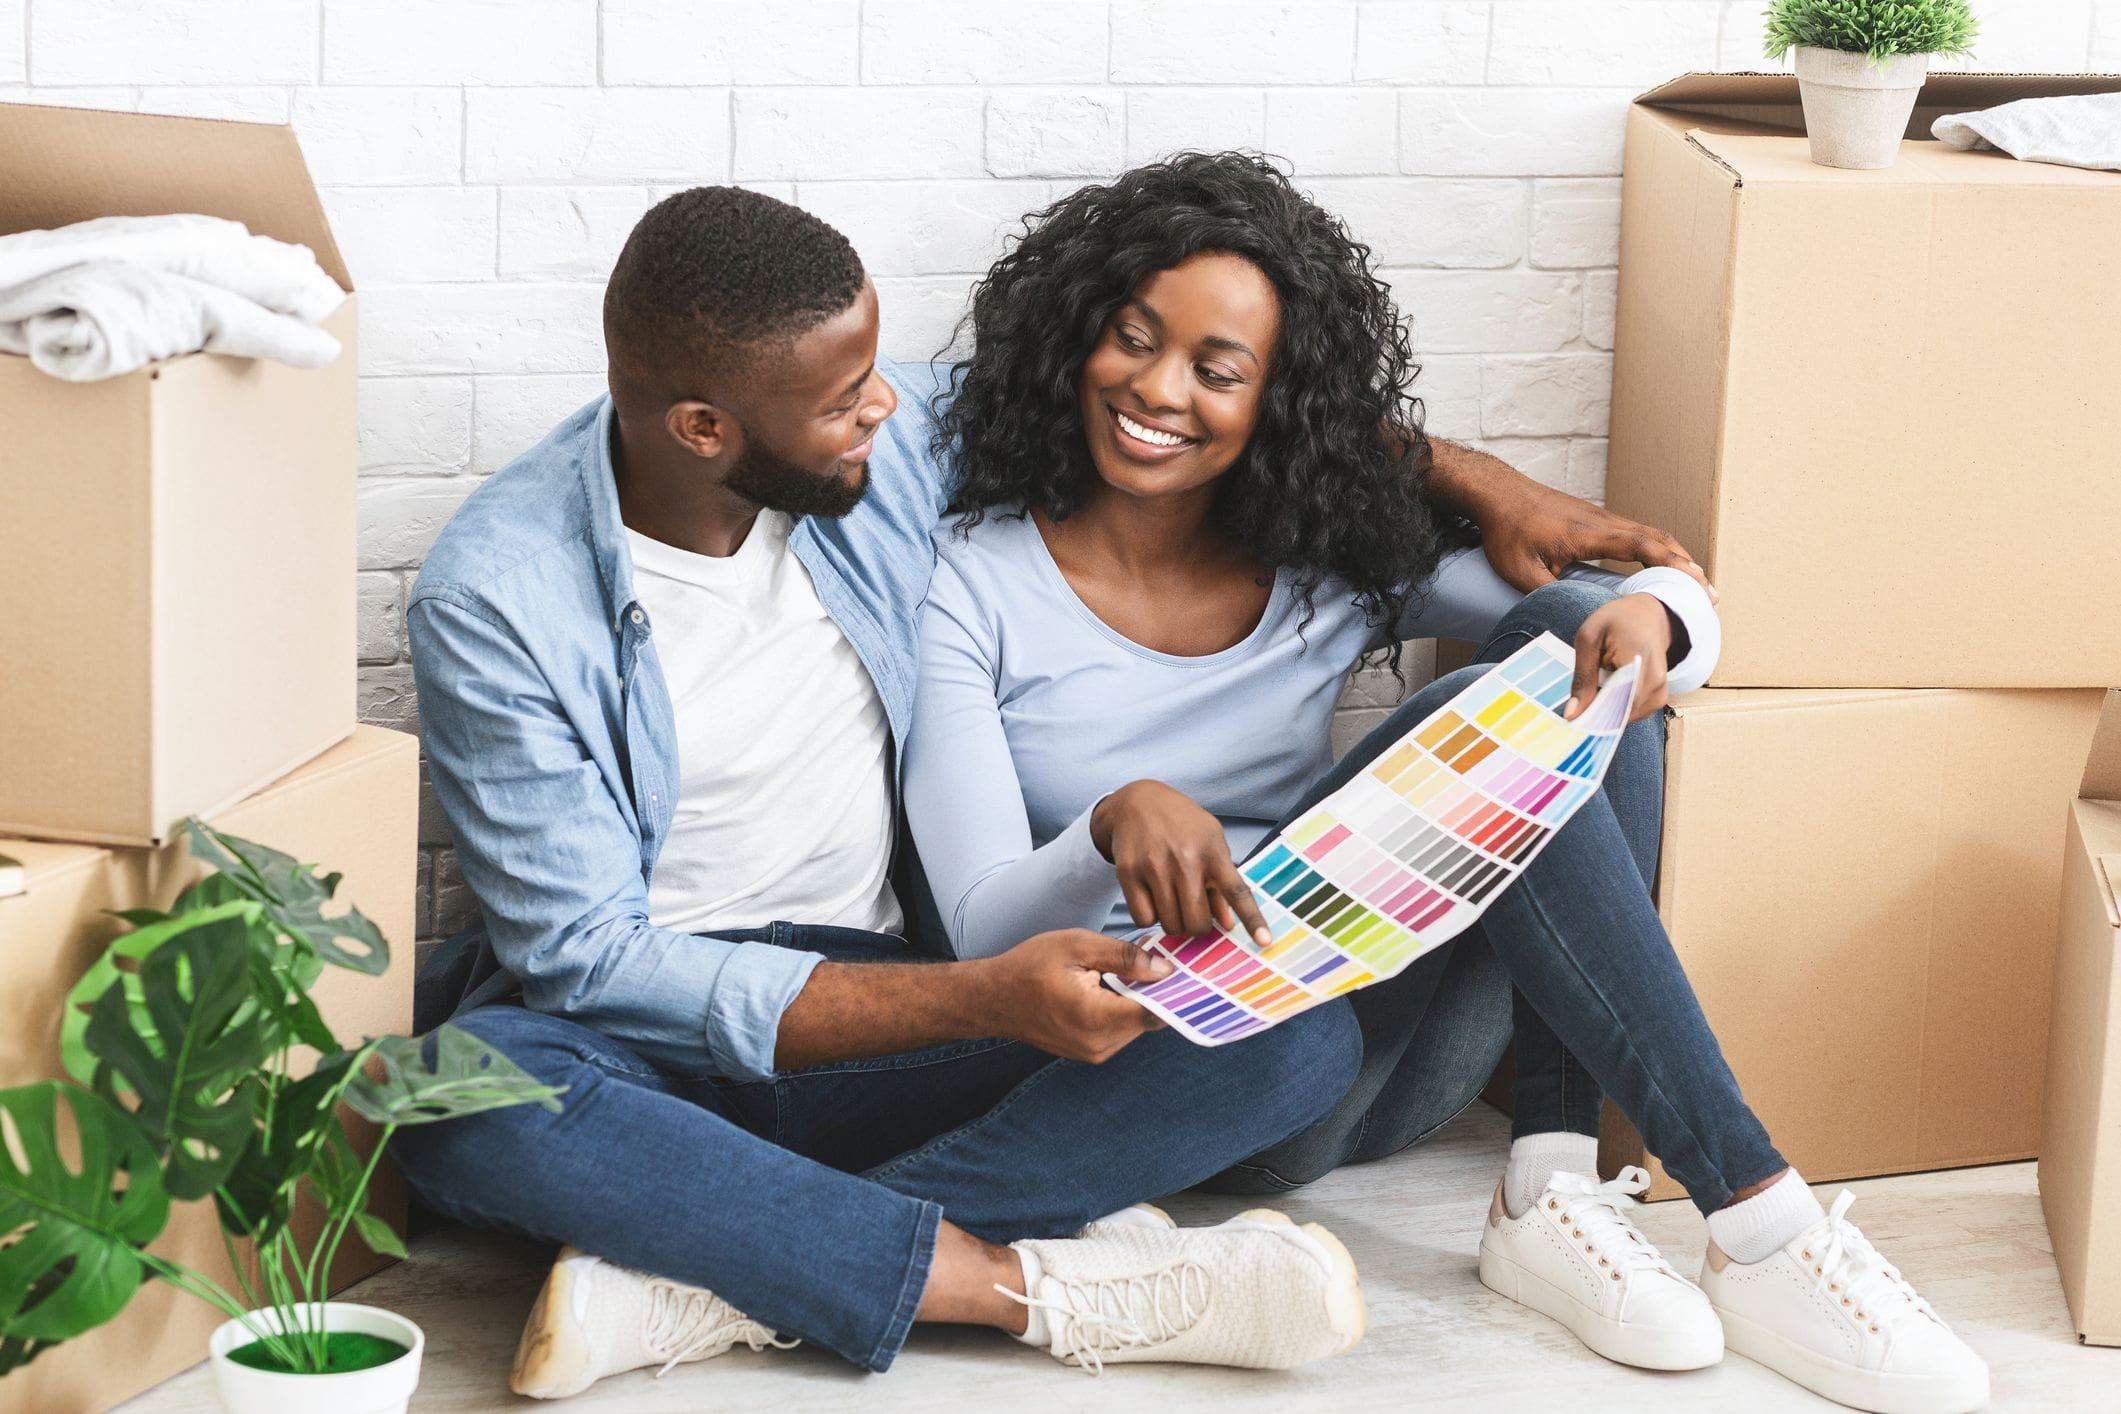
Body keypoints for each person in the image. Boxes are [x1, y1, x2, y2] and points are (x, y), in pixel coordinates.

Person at [393, 186, 1677, 1400]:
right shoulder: (500, 596)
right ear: (705, 430)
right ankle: (1023, 1286)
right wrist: (983, 992)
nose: (889, 407)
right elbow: (587, 960)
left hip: (885, 998)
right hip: (656, 1031)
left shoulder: (866, 459)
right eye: (845, 400)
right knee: (451, 1088)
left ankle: (727, 1267)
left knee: (1288, 1035)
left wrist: (1493, 485)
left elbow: (1240, 392)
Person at [901, 152, 1989, 1414]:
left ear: (1275, 400)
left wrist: (1667, 621)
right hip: (1214, 1066)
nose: (1157, 391)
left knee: (1574, 651)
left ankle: (1554, 1183)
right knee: (1507, 694)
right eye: (1133, 341)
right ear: (1075, 335)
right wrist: (1108, 822)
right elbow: (978, 922)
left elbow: (1630, 605)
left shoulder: (1320, 556)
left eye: (1216, 369)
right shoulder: (972, 584)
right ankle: (1760, 1216)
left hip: (1398, 1048)